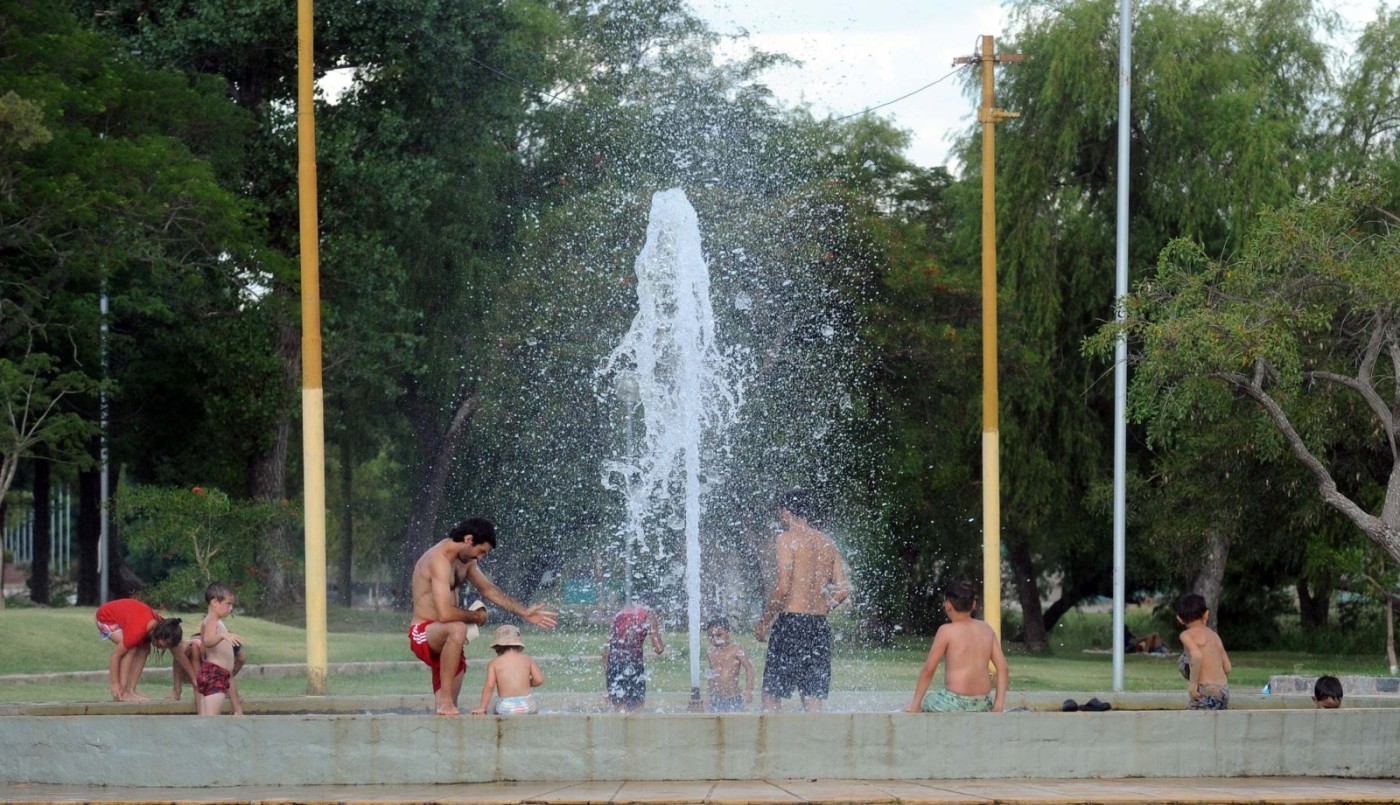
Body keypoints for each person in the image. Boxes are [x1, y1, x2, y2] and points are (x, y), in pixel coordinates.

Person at [410, 517, 558, 716]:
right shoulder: (439, 560)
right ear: (469, 539)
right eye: (481, 551)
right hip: (425, 632)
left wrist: (524, 612)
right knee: (457, 628)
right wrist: (476, 617)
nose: (481, 558)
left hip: (450, 643)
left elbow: (488, 589)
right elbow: (445, 613)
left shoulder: (466, 560)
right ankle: (445, 702)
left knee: (448, 713)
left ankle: (445, 706)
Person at [755, 489, 850, 712]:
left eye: (781, 512)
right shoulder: (827, 542)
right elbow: (843, 590)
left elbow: (783, 587)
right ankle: (814, 744)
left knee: (771, 693)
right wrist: (824, 607)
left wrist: (763, 623)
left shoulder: (786, 539)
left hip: (791, 622)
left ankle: (772, 744)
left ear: (786, 512)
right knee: (812, 696)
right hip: (818, 625)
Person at [904, 579, 1009, 713]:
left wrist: (915, 705)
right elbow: (1003, 667)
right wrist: (998, 705)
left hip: (954, 702)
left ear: (948, 605)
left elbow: (928, 669)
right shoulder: (986, 629)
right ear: (974, 604)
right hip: (983, 702)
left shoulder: (946, 631)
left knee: (928, 700)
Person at [95, 597, 194, 702]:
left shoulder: (162, 625)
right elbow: (115, 656)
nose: (163, 648)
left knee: (145, 648)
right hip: (105, 617)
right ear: (159, 634)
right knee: (131, 648)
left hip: (129, 616)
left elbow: (177, 651)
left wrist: (182, 686)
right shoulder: (137, 632)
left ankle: (131, 690)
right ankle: (123, 692)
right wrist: (115, 684)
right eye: (163, 645)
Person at [603, 595, 665, 712]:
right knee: (636, 711)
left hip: (614, 666)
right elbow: (658, 649)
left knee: (619, 710)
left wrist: (608, 679)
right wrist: (661, 636)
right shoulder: (649, 614)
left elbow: (606, 652)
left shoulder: (619, 614)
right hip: (634, 666)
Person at [470, 624, 545, 715]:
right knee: (534, 710)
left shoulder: (494, 663)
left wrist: (482, 708)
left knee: (495, 712)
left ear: (497, 647)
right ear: (518, 644)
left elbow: (489, 686)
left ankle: (500, 729)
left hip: (506, 706)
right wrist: (525, 682)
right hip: (527, 704)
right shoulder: (527, 659)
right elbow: (539, 680)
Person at [193, 581, 243, 716]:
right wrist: (222, 636)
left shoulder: (213, 622)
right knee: (210, 722)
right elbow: (208, 641)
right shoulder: (212, 621)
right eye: (228, 604)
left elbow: (204, 648)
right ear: (215, 602)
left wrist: (237, 708)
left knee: (207, 720)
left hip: (216, 673)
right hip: (214, 675)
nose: (231, 608)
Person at [1176, 592, 1231, 710]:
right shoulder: (1214, 636)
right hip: (1224, 692)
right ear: (1206, 614)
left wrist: (1192, 684)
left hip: (1206, 690)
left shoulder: (1186, 635)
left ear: (1180, 619)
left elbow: (1196, 656)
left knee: (1183, 659)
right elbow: (1227, 668)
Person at [705, 617, 755, 712]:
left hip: (734, 698)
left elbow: (749, 668)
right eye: (711, 636)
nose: (715, 639)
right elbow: (712, 674)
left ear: (728, 633)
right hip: (717, 698)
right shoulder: (711, 652)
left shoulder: (736, 650)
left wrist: (749, 690)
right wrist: (709, 695)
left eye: (719, 635)